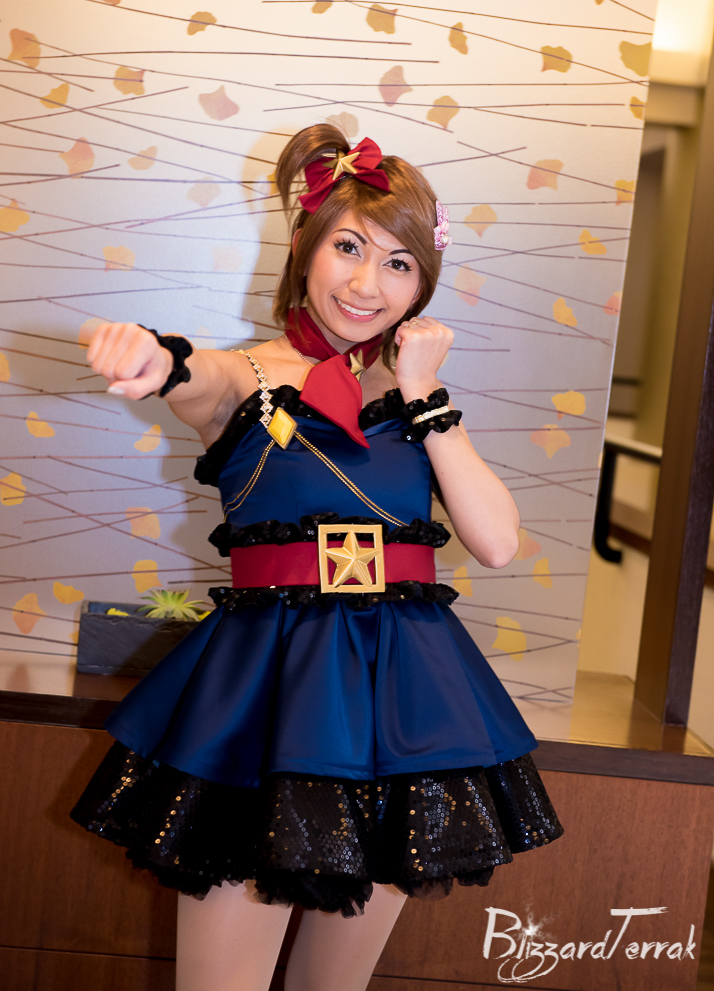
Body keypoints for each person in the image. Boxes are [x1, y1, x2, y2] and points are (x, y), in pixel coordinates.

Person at [71, 124, 563, 991]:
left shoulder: (419, 403)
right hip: (266, 705)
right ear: (305, 245)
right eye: (348, 248)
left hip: (403, 713)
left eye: (399, 263)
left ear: (422, 284)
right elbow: (194, 373)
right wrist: (156, 356)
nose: (368, 284)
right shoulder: (248, 376)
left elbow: (494, 542)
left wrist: (423, 395)